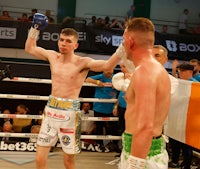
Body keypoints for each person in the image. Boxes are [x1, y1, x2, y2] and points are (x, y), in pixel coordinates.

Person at [25, 13, 120, 169]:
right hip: (50, 112)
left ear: (75, 45)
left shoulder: (82, 63)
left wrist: (122, 49)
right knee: (39, 158)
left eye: (68, 41)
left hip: (69, 115)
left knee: (68, 161)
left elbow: (107, 66)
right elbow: (30, 48)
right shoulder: (52, 56)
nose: (63, 43)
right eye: (61, 40)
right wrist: (35, 28)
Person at [118, 17, 171, 169]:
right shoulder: (148, 69)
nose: (123, 45)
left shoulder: (145, 71)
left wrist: (135, 164)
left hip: (143, 154)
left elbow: (145, 126)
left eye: (123, 40)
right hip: (141, 150)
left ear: (129, 41)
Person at [85, 70, 119, 152]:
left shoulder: (116, 78)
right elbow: (87, 79)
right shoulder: (100, 76)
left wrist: (117, 86)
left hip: (111, 107)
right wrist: (96, 82)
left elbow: (122, 86)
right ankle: (99, 144)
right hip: (99, 107)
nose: (108, 72)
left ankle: (114, 144)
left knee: (113, 127)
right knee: (99, 126)